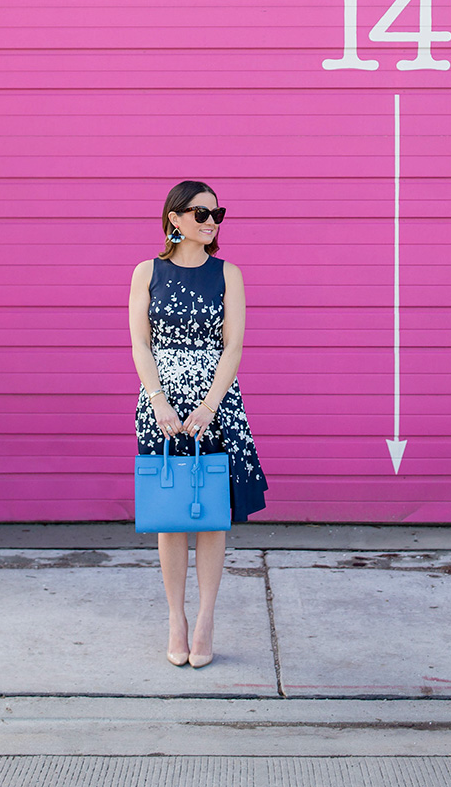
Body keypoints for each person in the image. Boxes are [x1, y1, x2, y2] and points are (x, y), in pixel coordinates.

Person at [129, 179, 268, 668]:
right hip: (161, 408)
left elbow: (233, 346)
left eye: (217, 214)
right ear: (175, 219)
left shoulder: (229, 274)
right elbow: (141, 344)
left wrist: (209, 405)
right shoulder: (146, 272)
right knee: (170, 518)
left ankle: (206, 617)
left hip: (217, 407)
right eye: (201, 213)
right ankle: (176, 618)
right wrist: (159, 401)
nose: (211, 223)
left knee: (211, 515)